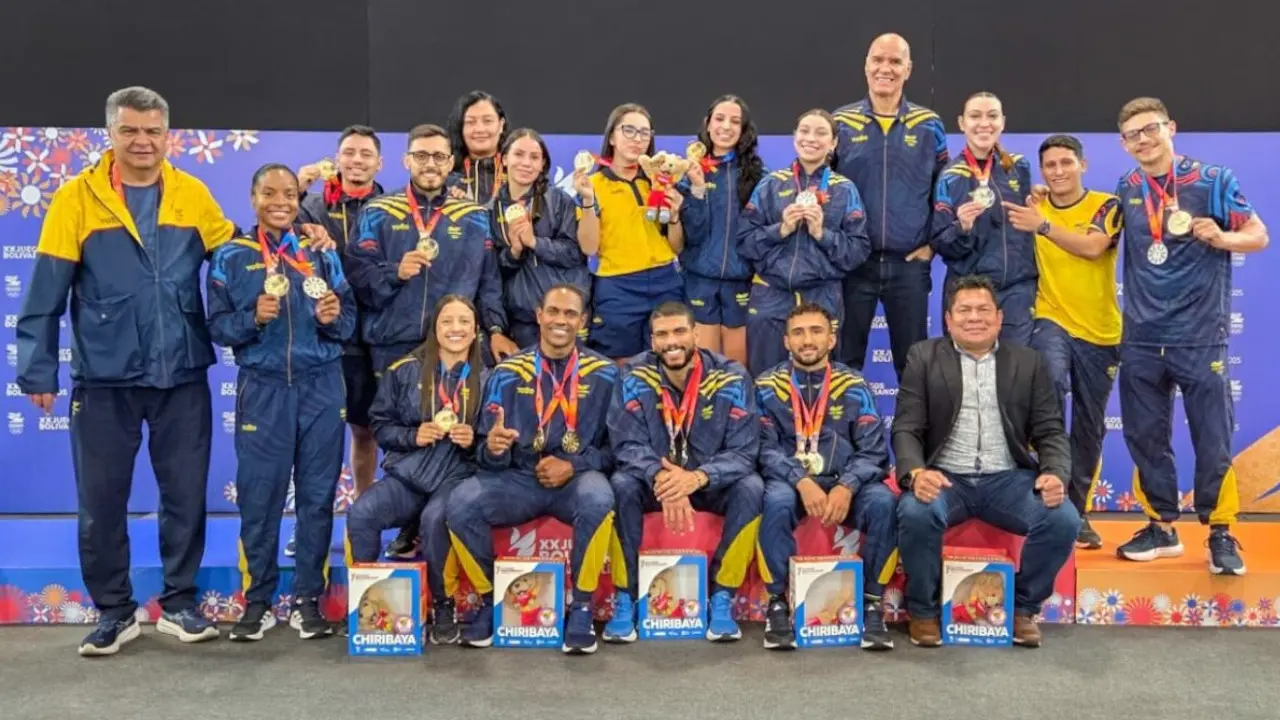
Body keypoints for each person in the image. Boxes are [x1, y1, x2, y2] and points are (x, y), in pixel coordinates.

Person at [14, 86, 330, 657]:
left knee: (184, 496)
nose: (142, 141)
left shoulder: (190, 192)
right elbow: (44, 293)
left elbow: (239, 250)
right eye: (130, 131)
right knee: (101, 500)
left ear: (167, 135)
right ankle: (114, 611)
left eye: (153, 131)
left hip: (182, 372)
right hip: (105, 377)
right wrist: (38, 370)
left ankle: (180, 603)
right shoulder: (74, 200)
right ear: (110, 133)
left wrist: (299, 235)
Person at [1107, 97, 1266, 574]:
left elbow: (1258, 234)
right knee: (1145, 436)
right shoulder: (1128, 185)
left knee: (1212, 436)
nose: (1143, 140)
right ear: (1124, 144)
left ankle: (1220, 533)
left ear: (1170, 128)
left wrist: (1223, 238)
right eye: (1133, 134)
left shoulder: (1213, 181)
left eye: (1150, 129)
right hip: (1140, 337)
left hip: (1200, 335)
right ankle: (1161, 526)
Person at [207, 164, 356, 642]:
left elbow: (349, 322)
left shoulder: (319, 251)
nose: (280, 201)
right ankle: (258, 601)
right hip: (264, 388)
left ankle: (309, 601)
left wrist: (332, 316)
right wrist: (252, 317)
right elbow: (217, 328)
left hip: (321, 385)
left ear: (298, 199)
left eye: (289, 193)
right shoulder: (231, 256)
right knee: (260, 497)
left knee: (317, 498)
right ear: (252, 198)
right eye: (269, 192)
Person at [893, 275, 1078, 648]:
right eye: (964, 310)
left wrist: (1055, 473)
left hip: (1007, 480)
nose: (973, 317)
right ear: (948, 319)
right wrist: (916, 473)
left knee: (1063, 519)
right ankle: (924, 612)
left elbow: (1051, 431)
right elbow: (906, 428)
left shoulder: (1028, 363)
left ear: (999, 317)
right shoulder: (923, 357)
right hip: (947, 478)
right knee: (916, 511)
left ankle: (1023, 609)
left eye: (983, 310)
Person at [446, 285, 618, 654]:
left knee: (599, 496)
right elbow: (483, 451)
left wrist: (574, 465)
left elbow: (617, 451)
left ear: (583, 321)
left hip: (576, 478)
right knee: (461, 503)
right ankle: (491, 602)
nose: (560, 320)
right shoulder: (507, 373)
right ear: (538, 315)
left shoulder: (605, 374)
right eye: (553, 311)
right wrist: (493, 449)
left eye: (570, 314)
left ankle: (583, 608)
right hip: (519, 479)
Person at [605, 302, 763, 644]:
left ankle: (722, 596)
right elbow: (625, 443)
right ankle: (625, 596)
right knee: (620, 484)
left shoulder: (732, 376)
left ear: (696, 334)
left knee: (751, 487)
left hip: (708, 481)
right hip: (656, 481)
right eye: (662, 334)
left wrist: (696, 478)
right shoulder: (633, 374)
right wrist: (660, 477)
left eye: (679, 332)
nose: (671, 341)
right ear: (652, 340)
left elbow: (744, 452)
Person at [1001, 135, 1121, 550]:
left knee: (1089, 427)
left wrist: (1044, 226)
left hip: (1102, 331)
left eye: (1066, 163)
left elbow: (1092, 247)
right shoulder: (1036, 205)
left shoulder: (1107, 205)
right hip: (1050, 319)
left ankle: (1077, 511)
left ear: (1082, 165)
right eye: (1049, 165)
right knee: (1048, 385)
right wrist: (1039, 215)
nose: (1057, 171)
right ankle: (1038, 496)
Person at [756, 303, 896, 651]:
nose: (808, 340)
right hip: (790, 483)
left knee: (882, 502)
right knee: (773, 500)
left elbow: (875, 449)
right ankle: (777, 600)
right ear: (786, 341)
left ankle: (873, 602)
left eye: (816, 331)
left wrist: (847, 485)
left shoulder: (854, 384)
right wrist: (800, 480)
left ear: (831, 339)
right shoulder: (765, 386)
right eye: (799, 332)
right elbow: (761, 448)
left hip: (844, 481)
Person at [344, 295, 484, 645]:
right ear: (434, 329)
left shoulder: (493, 377)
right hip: (409, 475)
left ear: (475, 330)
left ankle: (443, 604)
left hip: (458, 477)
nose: (455, 329)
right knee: (362, 514)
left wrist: (475, 440)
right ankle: (367, 598)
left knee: (436, 520)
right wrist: (412, 435)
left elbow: (502, 442)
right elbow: (379, 425)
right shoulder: (404, 370)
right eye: (447, 321)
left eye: (464, 322)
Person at [345, 123, 518, 375]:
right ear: (407, 161)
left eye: (438, 157)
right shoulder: (377, 212)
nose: (430, 164)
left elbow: (489, 283)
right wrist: (395, 273)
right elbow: (357, 277)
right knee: (391, 415)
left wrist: (495, 330)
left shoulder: (475, 217)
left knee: (453, 415)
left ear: (450, 164)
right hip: (391, 343)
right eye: (421, 155)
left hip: (455, 342)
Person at [288, 125, 386, 558]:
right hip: (326, 336)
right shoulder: (310, 205)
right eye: (350, 152)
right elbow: (274, 229)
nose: (358, 160)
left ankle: (361, 524)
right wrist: (301, 182)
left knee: (365, 435)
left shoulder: (394, 208)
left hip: (377, 336)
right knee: (319, 438)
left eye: (366, 154)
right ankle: (310, 529)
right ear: (337, 158)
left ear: (379, 163)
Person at [833, 33, 949, 380]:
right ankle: (841, 435)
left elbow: (945, 191)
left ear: (909, 69)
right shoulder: (840, 123)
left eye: (895, 61)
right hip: (853, 266)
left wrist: (933, 244)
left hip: (909, 266)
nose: (886, 68)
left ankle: (912, 437)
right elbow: (821, 189)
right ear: (866, 66)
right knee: (843, 364)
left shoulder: (929, 124)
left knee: (915, 370)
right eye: (878, 60)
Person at [739, 109, 870, 377]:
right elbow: (744, 242)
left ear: (833, 143)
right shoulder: (770, 185)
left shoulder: (844, 190)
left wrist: (823, 234)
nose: (811, 138)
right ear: (794, 137)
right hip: (771, 297)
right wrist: (781, 229)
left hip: (822, 297)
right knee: (764, 381)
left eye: (821, 132)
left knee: (822, 385)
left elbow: (858, 251)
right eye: (805, 131)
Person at [574, 103, 687, 361]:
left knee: (667, 361)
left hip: (665, 280)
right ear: (612, 136)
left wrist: (675, 216)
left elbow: (677, 247)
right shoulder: (593, 184)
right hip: (617, 286)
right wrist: (589, 201)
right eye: (629, 131)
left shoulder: (660, 182)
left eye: (644, 133)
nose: (637, 139)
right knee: (618, 366)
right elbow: (589, 247)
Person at [931, 92, 1037, 345]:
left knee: (1015, 373)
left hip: (1017, 289)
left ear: (1003, 121)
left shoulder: (1018, 167)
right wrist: (962, 228)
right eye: (975, 116)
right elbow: (940, 241)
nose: (984, 123)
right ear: (961, 123)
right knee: (965, 374)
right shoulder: (950, 175)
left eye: (992, 116)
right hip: (969, 292)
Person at [677, 94, 767, 366]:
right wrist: (697, 188)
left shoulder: (758, 176)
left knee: (737, 373)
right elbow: (690, 232)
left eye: (735, 121)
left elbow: (762, 233)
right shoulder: (689, 172)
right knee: (704, 370)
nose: (726, 126)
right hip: (699, 281)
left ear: (744, 130)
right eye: (719, 118)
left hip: (742, 283)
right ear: (707, 123)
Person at [491, 128, 590, 348]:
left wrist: (535, 242)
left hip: (564, 316)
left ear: (543, 164)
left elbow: (575, 254)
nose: (526, 163)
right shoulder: (491, 210)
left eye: (534, 157)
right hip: (522, 320)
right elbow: (492, 272)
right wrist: (514, 252)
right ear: (504, 159)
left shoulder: (560, 201)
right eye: (519, 154)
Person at [446, 90, 508, 206]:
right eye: (470, 122)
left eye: (487, 121)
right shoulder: (446, 176)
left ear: (501, 125)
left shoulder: (518, 171)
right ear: (460, 128)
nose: (479, 129)